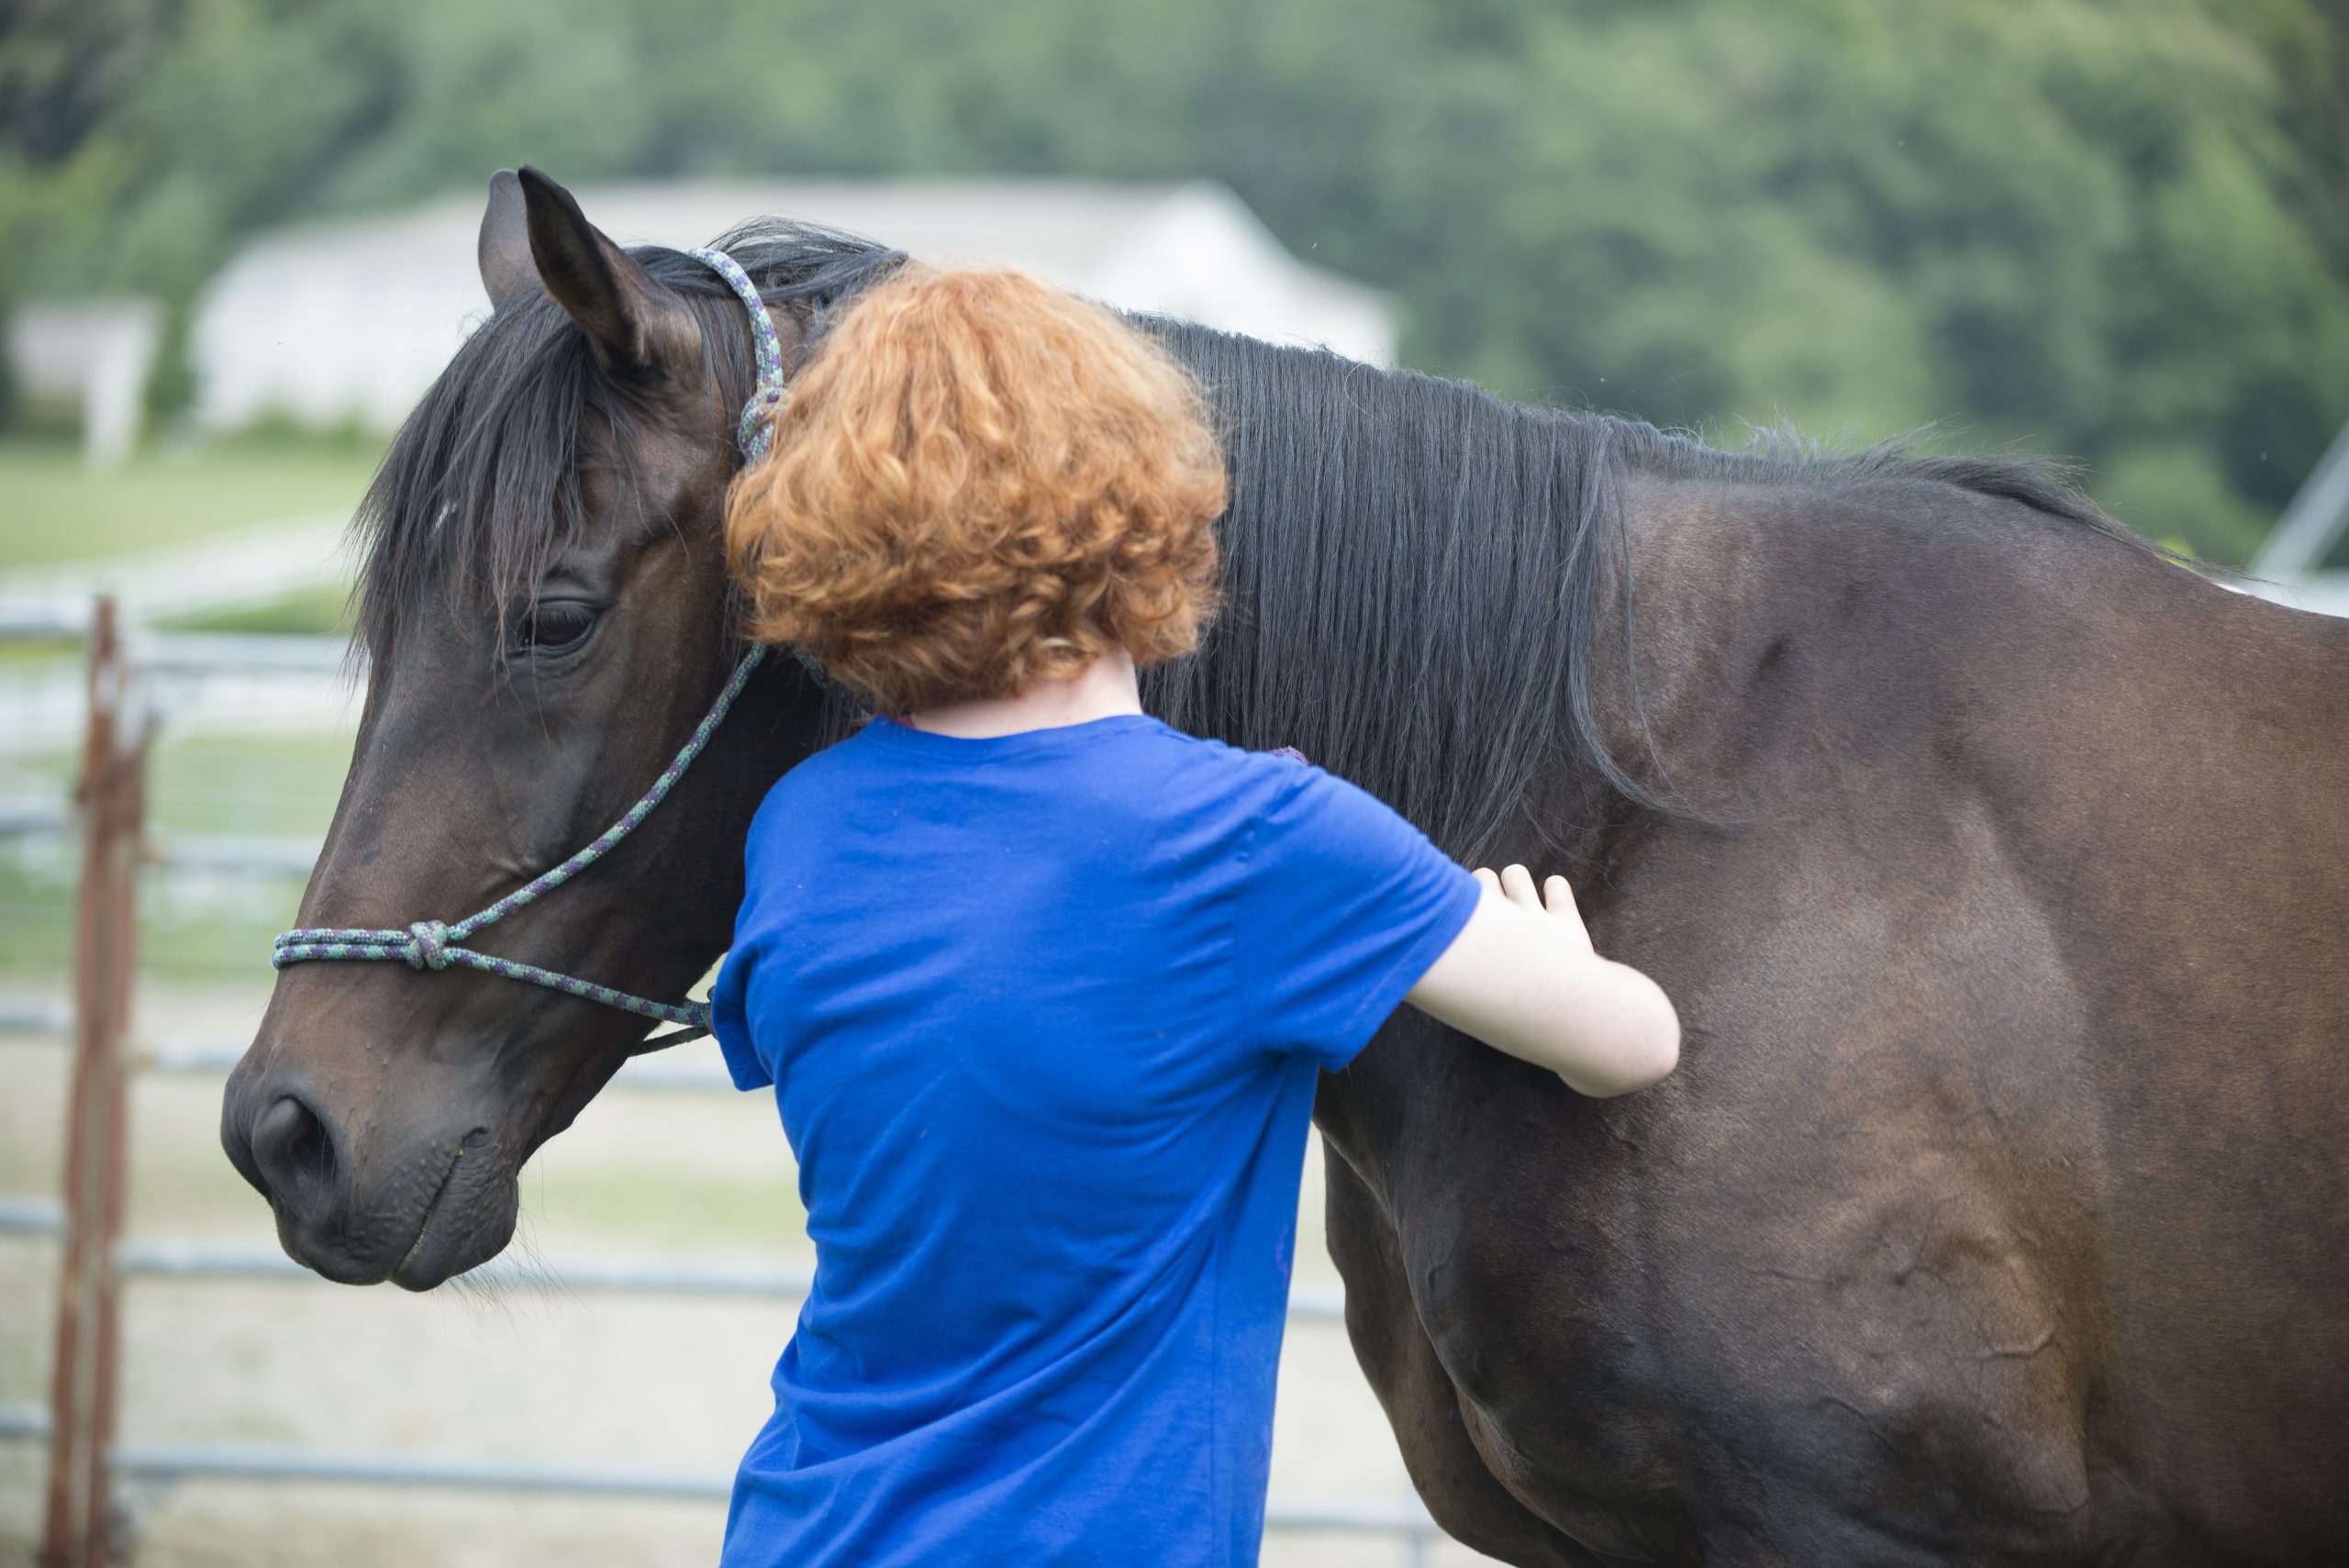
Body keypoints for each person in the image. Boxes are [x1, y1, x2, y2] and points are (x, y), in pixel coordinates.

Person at [711, 265, 1680, 1568]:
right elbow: (1630, 1041)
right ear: (1141, 503)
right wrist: (1559, 953)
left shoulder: (801, 827)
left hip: (803, 1528)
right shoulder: (1251, 841)